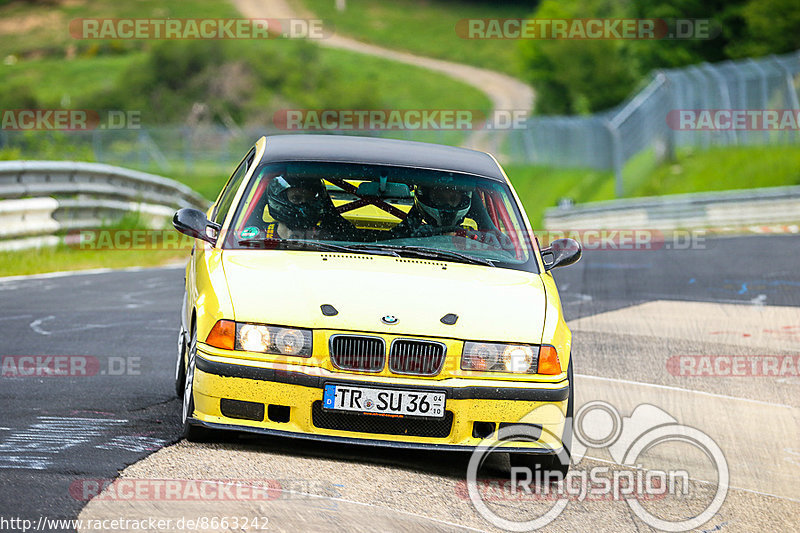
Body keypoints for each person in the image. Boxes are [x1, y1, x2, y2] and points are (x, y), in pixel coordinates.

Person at [265, 175, 355, 240]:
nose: (304, 204)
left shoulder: (328, 239)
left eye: (309, 200)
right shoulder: (259, 236)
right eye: (296, 198)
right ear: (282, 199)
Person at [389, 184, 474, 238]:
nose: (447, 205)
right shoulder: (408, 235)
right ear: (427, 198)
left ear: (462, 201)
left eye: (453, 199)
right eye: (440, 199)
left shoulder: (473, 237)